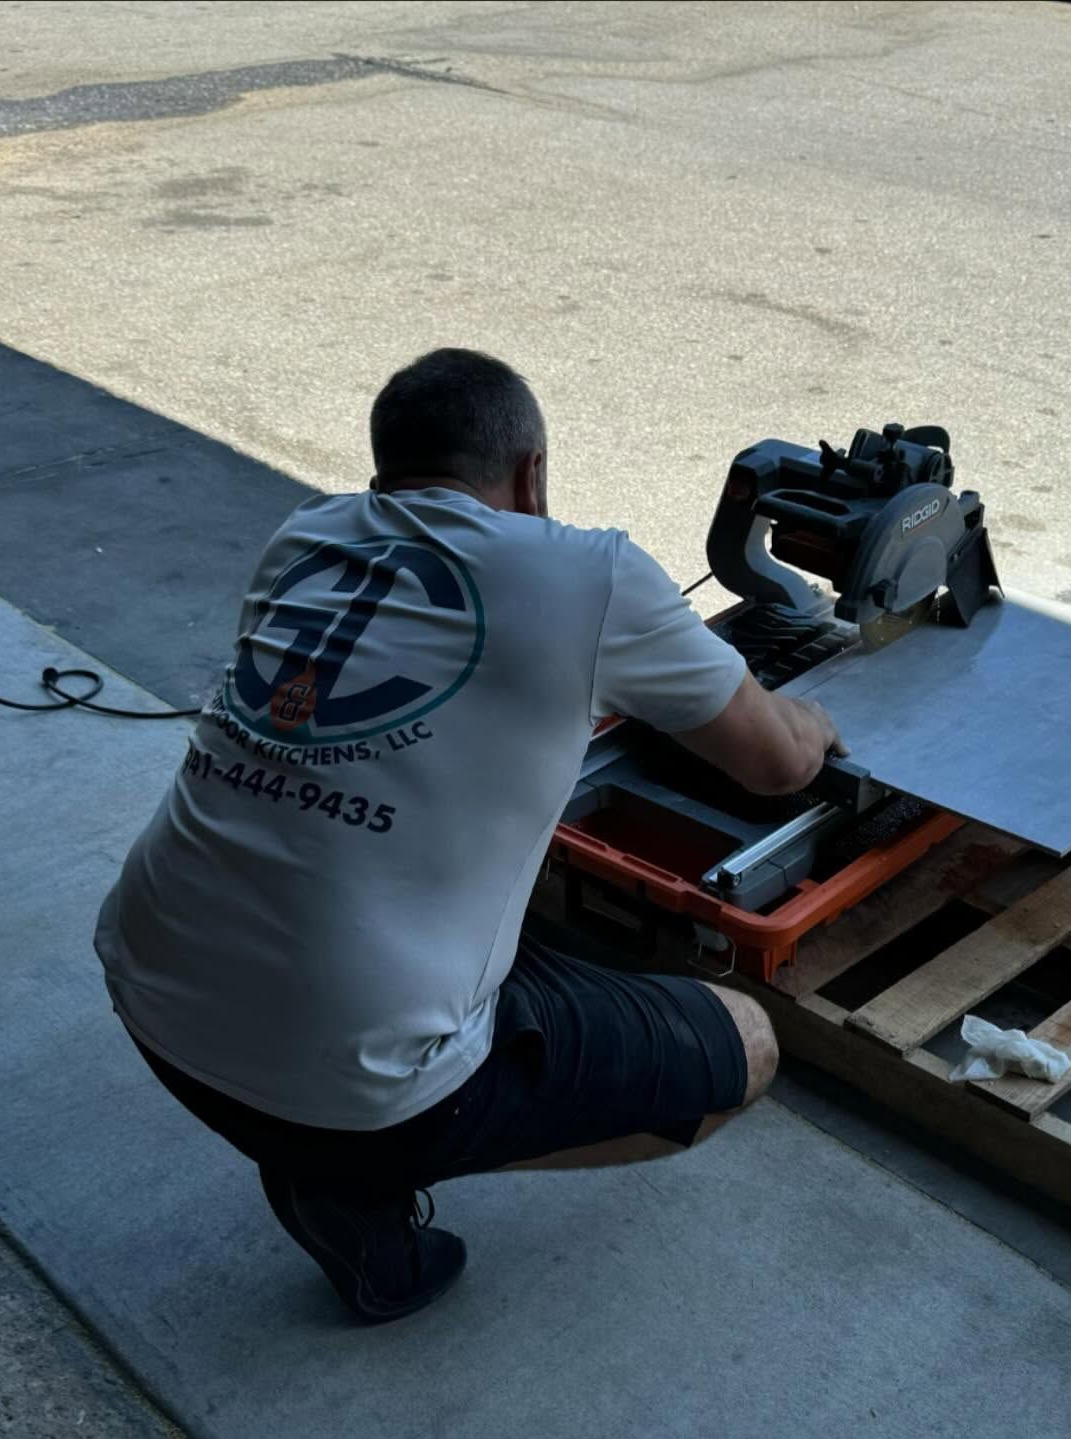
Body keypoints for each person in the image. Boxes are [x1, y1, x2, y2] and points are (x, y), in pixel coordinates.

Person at [94, 349, 845, 1322]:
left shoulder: (304, 535)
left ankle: (330, 1145)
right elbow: (777, 766)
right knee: (743, 1046)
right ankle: (354, 1187)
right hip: (347, 1086)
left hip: (150, 995)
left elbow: (329, 715)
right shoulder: (591, 573)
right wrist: (815, 726)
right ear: (531, 473)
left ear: (383, 470)